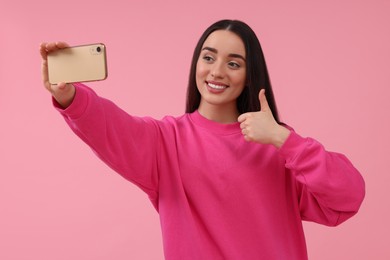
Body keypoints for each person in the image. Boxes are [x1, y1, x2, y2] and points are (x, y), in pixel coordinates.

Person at [40, 19, 365, 260]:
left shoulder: (278, 146)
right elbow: (108, 127)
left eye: (233, 63)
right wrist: (70, 95)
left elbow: (348, 196)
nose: (217, 71)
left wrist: (283, 138)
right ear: (197, 63)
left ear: (250, 74)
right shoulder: (165, 142)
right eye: (208, 58)